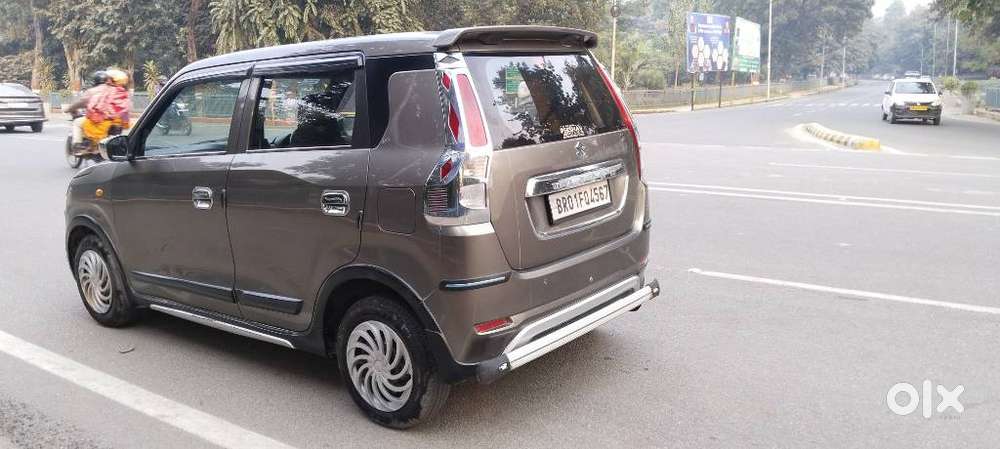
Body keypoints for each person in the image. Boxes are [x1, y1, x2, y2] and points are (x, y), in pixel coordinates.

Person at [82, 69, 131, 145]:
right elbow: (125, 112)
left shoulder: (107, 91)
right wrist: (125, 123)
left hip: (102, 121)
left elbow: (95, 105)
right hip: (117, 124)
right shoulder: (124, 95)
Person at [67, 71, 108, 149]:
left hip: (96, 119)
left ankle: (78, 145)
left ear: (95, 81)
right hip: (110, 120)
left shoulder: (92, 91)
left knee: (76, 123)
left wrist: (69, 108)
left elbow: (81, 103)